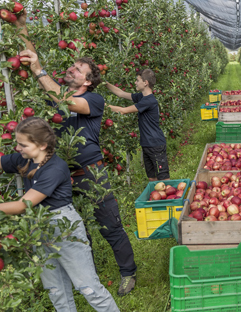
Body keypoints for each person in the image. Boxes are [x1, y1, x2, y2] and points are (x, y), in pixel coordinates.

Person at [14, 11, 137, 296]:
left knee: (109, 225)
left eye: (78, 69)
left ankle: (127, 273)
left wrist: (40, 71)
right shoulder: (55, 94)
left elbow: (63, 99)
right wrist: (22, 30)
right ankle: (87, 279)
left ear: (88, 82)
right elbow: (35, 64)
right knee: (75, 232)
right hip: (58, 176)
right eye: (72, 66)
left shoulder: (94, 99)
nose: (71, 70)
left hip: (90, 173)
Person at [0, 117, 120, 311]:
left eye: (22, 144)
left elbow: (24, 205)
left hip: (63, 227)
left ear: (42, 145)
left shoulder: (55, 168)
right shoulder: (25, 159)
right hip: (39, 229)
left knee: (88, 287)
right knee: (56, 290)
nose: (17, 148)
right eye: (17, 143)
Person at [105, 69, 170, 181]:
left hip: (155, 145)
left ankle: (170, 198)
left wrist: (102, 105)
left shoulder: (149, 101)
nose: (135, 82)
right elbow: (121, 93)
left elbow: (123, 111)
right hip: (147, 144)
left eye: (137, 80)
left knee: (163, 179)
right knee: (152, 178)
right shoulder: (141, 97)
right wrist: (104, 83)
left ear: (145, 83)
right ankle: (157, 197)